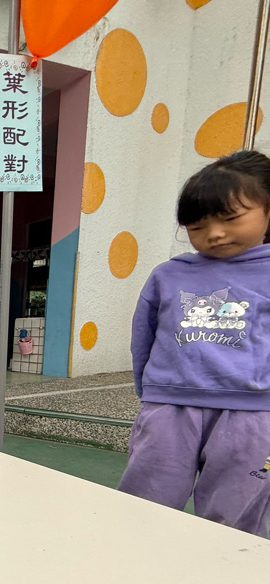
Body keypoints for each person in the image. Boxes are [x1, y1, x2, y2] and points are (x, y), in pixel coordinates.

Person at [119, 151, 270, 538]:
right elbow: (144, 336)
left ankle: (230, 572)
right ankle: (131, 561)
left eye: (231, 218)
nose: (214, 233)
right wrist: (150, 393)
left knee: (237, 519)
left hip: (253, 413)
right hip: (170, 407)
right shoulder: (169, 275)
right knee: (143, 503)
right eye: (198, 225)